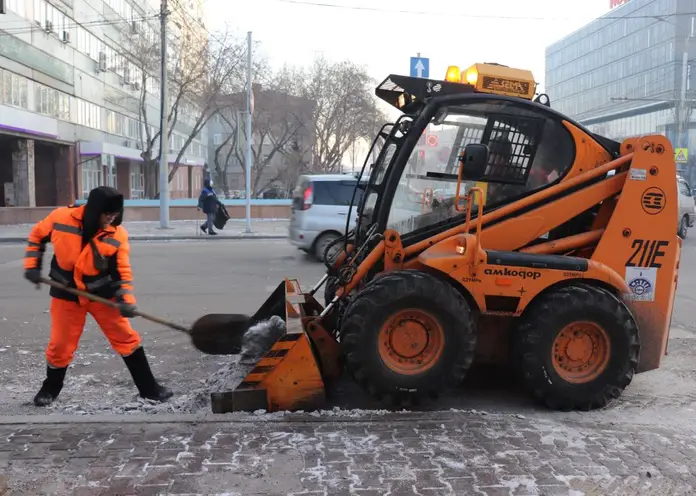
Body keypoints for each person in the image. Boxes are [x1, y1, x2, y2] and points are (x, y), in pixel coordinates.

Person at [23, 186, 173, 407]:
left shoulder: (117, 234)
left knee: (126, 338)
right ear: (94, 210)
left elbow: (121, 271)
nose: (111, 219)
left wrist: (126, 301)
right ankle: (50, 389)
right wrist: (32, 266)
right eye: (107, 214)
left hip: (102, 295)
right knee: (60, 345)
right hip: (67, 293)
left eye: (115, 215)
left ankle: (149, 389)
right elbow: (37, 236)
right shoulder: (61, 218)